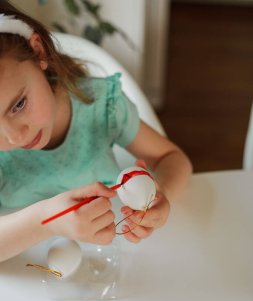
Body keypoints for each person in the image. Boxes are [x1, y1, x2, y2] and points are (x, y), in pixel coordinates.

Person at [0, 0, 192, 262]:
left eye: (19, 104)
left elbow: (172, 158)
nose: (15, 136)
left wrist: (160, 196)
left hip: (116, 264)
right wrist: (46, 222)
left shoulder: (102, 106)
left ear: (38, 52)